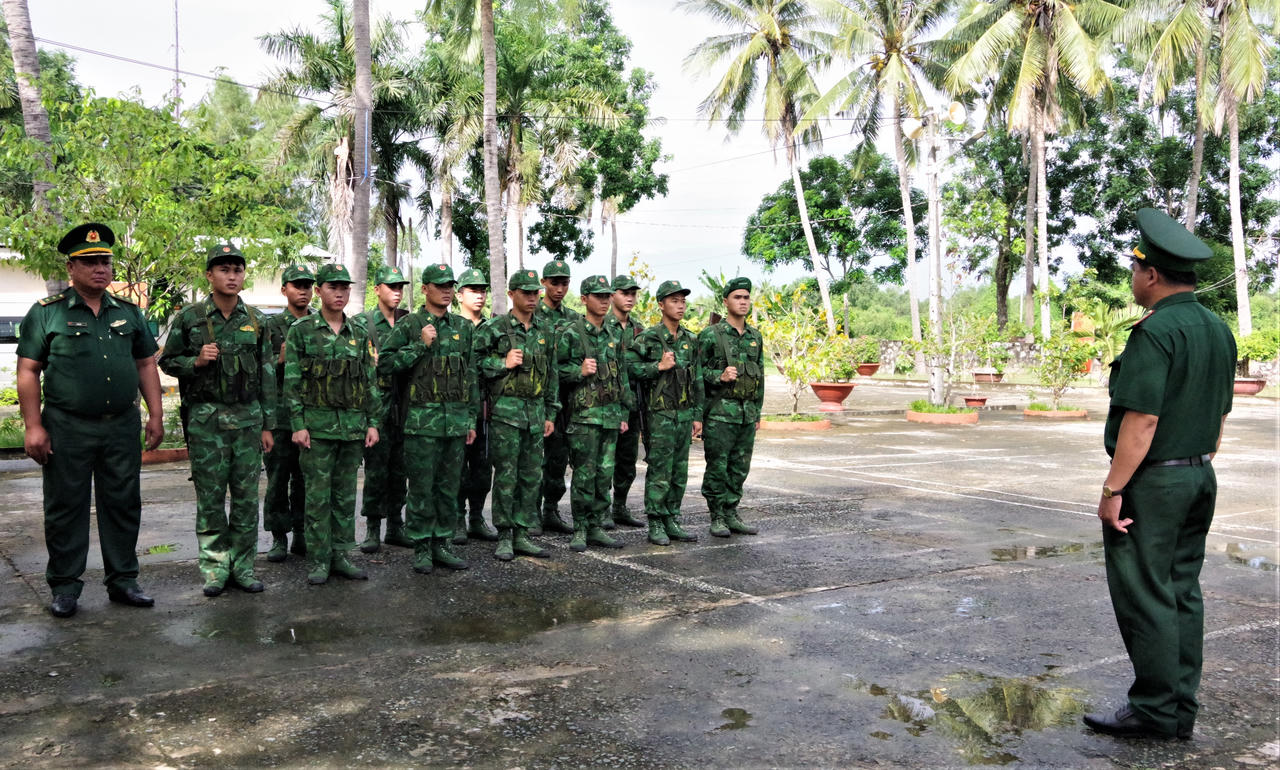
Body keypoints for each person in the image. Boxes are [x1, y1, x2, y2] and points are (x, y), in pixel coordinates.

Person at [1082, 208, 1236, 741]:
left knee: (1146, 593)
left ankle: (1154, 709)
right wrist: (1195, 465)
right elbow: (1218, 418)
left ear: (1150, 274)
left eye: (1134, 270)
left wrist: (1113, 490)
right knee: (1181, 591)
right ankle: (1177, 708)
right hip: (1198, 476)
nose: (1132, 279)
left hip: (1154, 484)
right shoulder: (1217, 328)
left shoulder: (1155, 333)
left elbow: (1142, 421)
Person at [16, 223, 164, 618]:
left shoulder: (130, 313)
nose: (101, 268)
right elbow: (28, 371)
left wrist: (156, 414)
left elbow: (146, 362)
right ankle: (65, 587)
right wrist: (34, 426)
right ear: (72, 268)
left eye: (105, 262)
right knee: (66, 507)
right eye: (91, 262)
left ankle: (124, 581)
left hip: (120, 425)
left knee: (123, 504)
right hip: (68, 426)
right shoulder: (46, 314)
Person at [159, 244, 275, 597]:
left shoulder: (256, 321)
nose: (232, 276)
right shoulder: (191, 318)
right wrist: (195, 361)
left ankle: (242, 567)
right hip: (206, 422)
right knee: (210, 499)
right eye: (223, 269)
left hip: (247, 421)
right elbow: (166, 361)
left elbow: (268, 375)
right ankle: (214, 570)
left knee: (244, 499)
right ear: (209, 275)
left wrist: (268, 425)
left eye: (237, 269)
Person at [283, 264, 381, 585]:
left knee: (343, 496)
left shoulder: (359, 334)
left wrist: (372, 423)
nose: (339, 293)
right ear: (319, 290)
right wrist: (297, 424)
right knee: (317, 496)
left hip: (352, 429)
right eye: (332, 287)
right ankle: (319, 558)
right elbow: (293, 382)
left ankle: (340, 555)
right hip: (317, 430)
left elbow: (369, 382)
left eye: (344, 288)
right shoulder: (301, 331)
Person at [379, 263, 478, 574]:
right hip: (421, 423)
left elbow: (471, 377)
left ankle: (442, 543)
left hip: (455, 422)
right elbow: (386, 364)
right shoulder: (409, 325)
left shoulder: (463, 328)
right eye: (440, 285)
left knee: (449, 487)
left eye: (450, 285)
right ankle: (422, 546)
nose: (447, 290)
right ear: (425, 289)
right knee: (422, 487)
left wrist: (471, 419)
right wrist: (419, 345)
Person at [472, 269, 559, 561]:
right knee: (507, 476)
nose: (533, 297)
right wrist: (502, 362)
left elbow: (552, 376)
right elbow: (474, 365)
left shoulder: (545, 331)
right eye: (526, 292)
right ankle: (505, 534)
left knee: (531, 476)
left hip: (535, 414)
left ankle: (522, 532)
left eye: (536, 292)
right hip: (506, 413)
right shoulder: (494, 328)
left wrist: (551, 412)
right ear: (512, 294)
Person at [557, 275, 633, 552]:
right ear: (584, 299)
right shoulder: (572, 333)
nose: (604, 301)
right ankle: (579, 528)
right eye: (598, 296)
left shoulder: (614, 335)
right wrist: (578, 371)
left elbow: (622, 376)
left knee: (604, 475)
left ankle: (597, 525)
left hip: (610, 417)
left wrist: (624, 410)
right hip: (584, 417)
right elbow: (555, 372)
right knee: (584, 475)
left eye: (607, 296)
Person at [629, 280, 703, 546]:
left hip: (683, 415)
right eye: (674, 301)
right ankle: (656, 521)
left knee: (680, 471)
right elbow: (629, 368)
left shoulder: (691, 339)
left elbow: (698, 380)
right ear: (661, 304)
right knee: (660, 469)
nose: (680, 305)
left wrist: (697, 415)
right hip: (659, 415)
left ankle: (672, 517)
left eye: (683, 301)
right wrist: (656, 367)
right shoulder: (648, 338)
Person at [698, 277, 764, 538]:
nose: (743, 302)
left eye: (746, 297)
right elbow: (696, 373)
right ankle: (716, 516)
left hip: (746, 415)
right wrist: (719, 376)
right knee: (717, 466)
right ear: (725, 302)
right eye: (737, 297)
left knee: (739, 468)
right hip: (720, 415)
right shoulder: (711, 335)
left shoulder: (754, 336)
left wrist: (757, 412)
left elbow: (760, 378)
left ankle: (731, 512)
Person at [358, 265, 413, 554]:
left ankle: (395, 526)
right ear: (377, 289)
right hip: (376, 409)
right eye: (391, 287)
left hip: (404, 408)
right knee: (376, 471)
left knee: (399, 471)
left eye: (400, 287)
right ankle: (372, 529)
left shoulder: (410, 322)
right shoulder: (363, 324)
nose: (397, 292)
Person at [263, 265, 315, 562]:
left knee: (307, 479)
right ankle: (278, 537)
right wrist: (278, 359)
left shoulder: (319, 323)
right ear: (284, 289)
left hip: (312, 413)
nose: (303, 290)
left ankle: (302, 533)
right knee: (278, 478)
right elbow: (259, 368)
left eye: (308, 285)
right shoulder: (271, 326)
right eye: (297, 285)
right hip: (281, 415)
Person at [452, 268, 499, 544]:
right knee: (458, 467)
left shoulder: (494, 328)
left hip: (486, 407)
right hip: (457, 409)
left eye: (483, 290)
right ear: (460, 295)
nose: (480, 295)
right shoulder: (453, 327)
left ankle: (477, 517)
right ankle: (457, 517)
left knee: (483, 468)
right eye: (473, 290)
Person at [533, 259, 578, 536]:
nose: (560, 288)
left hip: (567, 400)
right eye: (554, 283)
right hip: (536, 400)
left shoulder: (574, 319)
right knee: (535, 461)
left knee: (558, 459)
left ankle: (551, 509)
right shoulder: (531, 314)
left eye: (564, 283)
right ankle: (531, 512)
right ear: (543, 283)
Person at [605, 274, 647, 529]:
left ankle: (619, 506)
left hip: (632, 405)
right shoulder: (602, 326)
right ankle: (599, 512)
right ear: (612, 296)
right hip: (608, 404)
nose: (630, 297)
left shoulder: (639, 329)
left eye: (633, 293)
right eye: (624, 293)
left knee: (627, 462)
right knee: (604, 462)